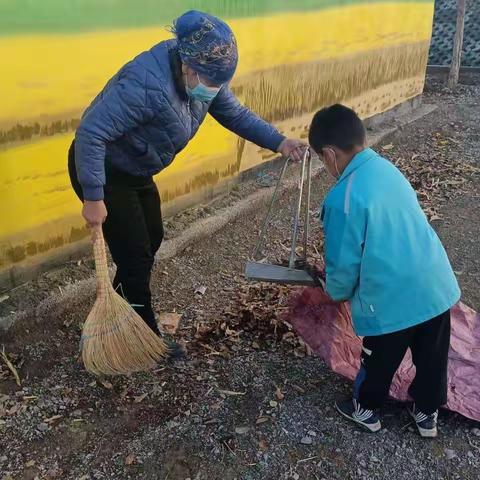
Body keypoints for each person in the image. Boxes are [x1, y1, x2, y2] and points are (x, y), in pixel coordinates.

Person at [68, 10, 305, 344]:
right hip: (105, 171)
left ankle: (119, 310)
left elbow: (234, 114)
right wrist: (94, 197)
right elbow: (92, 133)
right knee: (135, 255)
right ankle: (141, 334)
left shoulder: (205, 75)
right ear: (189, 67)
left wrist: (279, 142)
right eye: (212, 83)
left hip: (136, 168)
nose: (216, 90)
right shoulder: (146, 84)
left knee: (151, 237)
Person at [308, 104, 460, 437]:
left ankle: (367, 410)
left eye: (322, 159)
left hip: (390, 297)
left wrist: (333, 290)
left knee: (378, 359)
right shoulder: (386, 168)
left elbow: (343, 262)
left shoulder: (342, 198)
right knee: (432, 356)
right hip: (435, 285)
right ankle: (427, 414)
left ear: (330, 154)